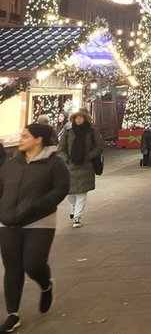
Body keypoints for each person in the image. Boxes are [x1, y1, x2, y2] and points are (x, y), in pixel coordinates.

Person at [0, 123, 70, 332]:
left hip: (39, 221)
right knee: (12, 268)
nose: (21, 139)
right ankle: (13, 314)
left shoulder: (55, 163)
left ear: (38, 139)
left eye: (25, 136)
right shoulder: (11, 164)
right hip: (8, 222)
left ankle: (46, 284)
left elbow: (61, 187)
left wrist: (40, 205)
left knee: (33, 265)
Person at [56, 110, 105, 228]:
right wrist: (66, 159)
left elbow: (99, 146)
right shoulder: (68, 132)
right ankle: (73, 208)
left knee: (82, 192)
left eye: (81, 118)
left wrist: (88, 156)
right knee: (69, 192)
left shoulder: (92, 132)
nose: (78, 120)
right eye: (76, 118)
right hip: (70, 166)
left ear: (85, 119)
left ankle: (77, 216)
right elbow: (61, 148)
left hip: (86, 166)